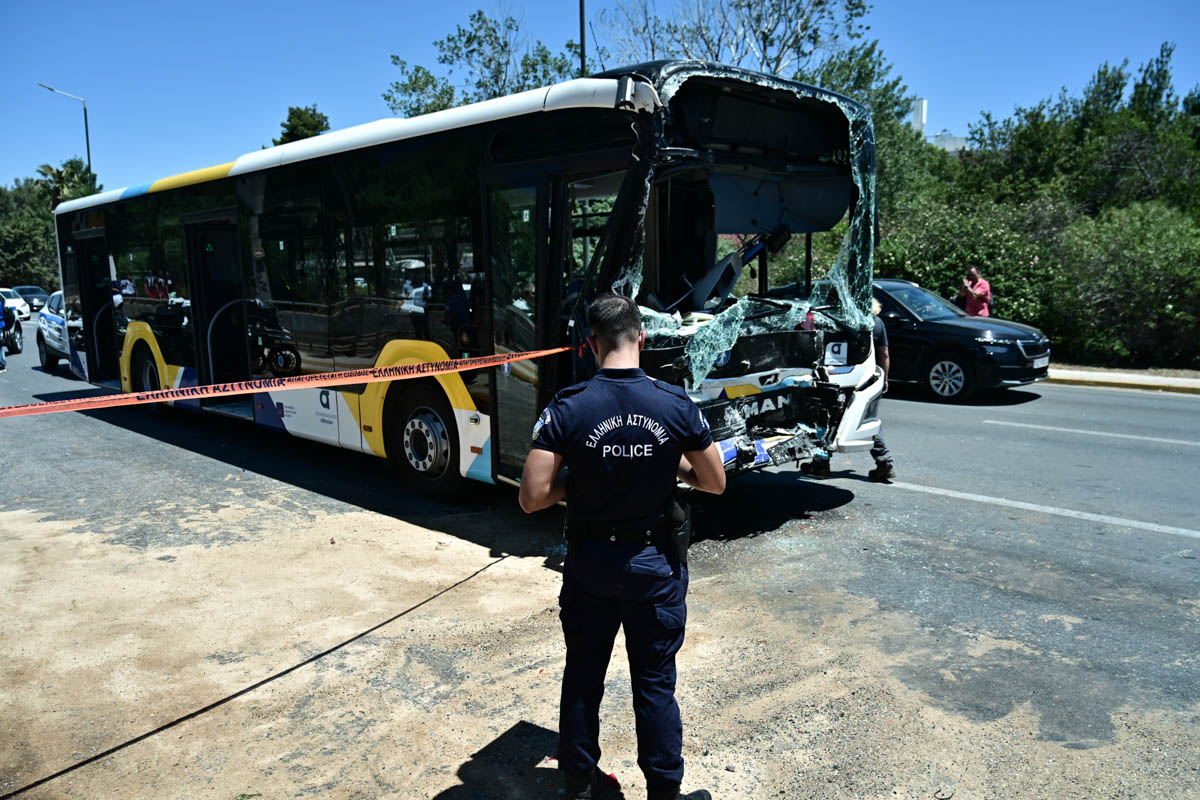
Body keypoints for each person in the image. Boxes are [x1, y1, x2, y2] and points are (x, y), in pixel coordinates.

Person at [520, 293, 725, 800]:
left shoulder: (568, 406)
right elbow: (715, 481)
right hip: (653, 565)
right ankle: (663, 792)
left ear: (591, 344)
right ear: (643, 337)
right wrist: (667, 464)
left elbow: (532, 497)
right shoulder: (675, 403)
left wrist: (581, 479)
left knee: (584, 674)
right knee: (654, 684)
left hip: (591, 564)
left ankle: (577, 784)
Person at [801, 299, 896, 481]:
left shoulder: (833, 320)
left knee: (826, 419)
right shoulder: (875, 322)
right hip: (864, 377)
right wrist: (884, 377)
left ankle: (820, 464)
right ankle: (884, 461)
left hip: (835, 378)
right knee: (865, 418)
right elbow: (884, 353)